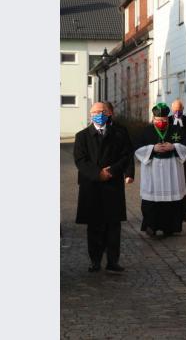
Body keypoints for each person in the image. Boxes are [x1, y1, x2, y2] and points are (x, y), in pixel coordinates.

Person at [74, 102, 134, 273]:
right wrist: (97, 173)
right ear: (90, 115)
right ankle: (95, 261)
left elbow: (126, 155)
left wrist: (112, 171)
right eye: (95, 112)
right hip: (91, 185)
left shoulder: (118, 134)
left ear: (108, 114)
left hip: (112, 185)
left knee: (113, 226)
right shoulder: (82, 136)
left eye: (102, 111)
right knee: (94, 226)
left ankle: (113, 261)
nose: (99, 114)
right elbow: (80, 160)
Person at [134, 103, 186, 237]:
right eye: (158, 120)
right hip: (152, 170)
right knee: (151, 201)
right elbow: (137, 149)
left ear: (168, 119)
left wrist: (174, 147)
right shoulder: (146, 131)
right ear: (153, 119)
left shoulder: (177, 130)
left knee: (172, 202)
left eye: (164, 120)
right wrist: (152, 149)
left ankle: (170, 227)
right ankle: (151, 226)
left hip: (172, 169)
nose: (161, 122)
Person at [103, 100, 134, 184]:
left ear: (111, 113)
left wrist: (129, 173)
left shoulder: (121, 129)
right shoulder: (88, 133)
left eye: (105, 111)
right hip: (98, 174)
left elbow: (128, 151)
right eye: (100, 112)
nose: (102, 114)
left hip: (116, 172)